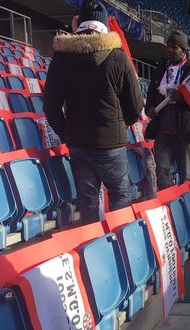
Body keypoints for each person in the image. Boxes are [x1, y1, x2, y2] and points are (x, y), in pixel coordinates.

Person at [43, 1, 143, 224]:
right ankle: (121, 247)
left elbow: (50, 105)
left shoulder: (61, 57)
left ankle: (92, 250)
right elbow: (136, 106)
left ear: (80, 25)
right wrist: (123, 124)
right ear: (104, 24)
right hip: (112, 144)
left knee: (87, 202)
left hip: (78, 143)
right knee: (120, 197)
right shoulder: (118, 56)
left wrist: (66, 133)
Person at [145, 30, 190, 189]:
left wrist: (183, 98)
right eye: (168, 47)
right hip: (162, 130)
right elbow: (152, 90)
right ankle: (168, 204)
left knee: (185, 174)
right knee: (162, 171)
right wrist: (150, 108)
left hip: (185, 130)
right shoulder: (161, 66)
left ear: (183, 49)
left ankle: (185, 204)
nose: (170, 50)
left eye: (174, 47)